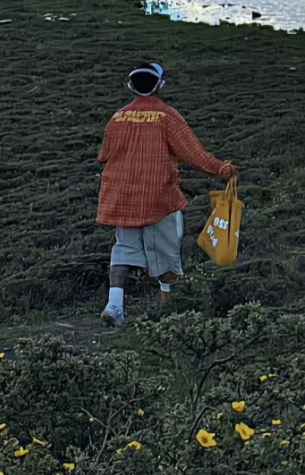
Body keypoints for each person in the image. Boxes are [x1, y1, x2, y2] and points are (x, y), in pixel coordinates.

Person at [96, 60, 237, 327]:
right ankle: (168, 308)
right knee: (167, 251)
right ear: (159, 85)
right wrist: (221, 169)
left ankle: (114, 306)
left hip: (121, 195)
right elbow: (194, 154)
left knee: (124, 248)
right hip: (158, 195)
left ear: (131, 86)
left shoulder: (118, 117)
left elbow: (104, 154)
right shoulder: (167, 116)